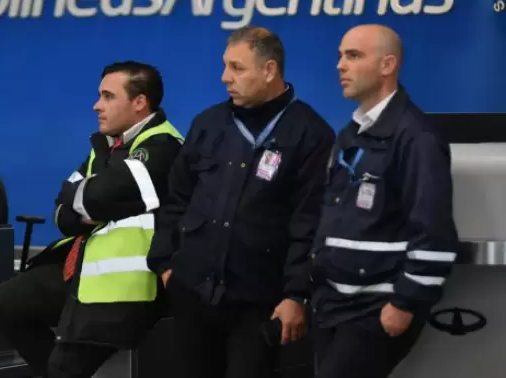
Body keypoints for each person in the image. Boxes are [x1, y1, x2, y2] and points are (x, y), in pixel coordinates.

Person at [147, 26, 335, 378]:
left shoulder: (310, 133)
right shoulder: (209, 123)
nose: (224, 78)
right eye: (225, 66)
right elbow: (176, 199)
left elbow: (311, 221)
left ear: (269, 70)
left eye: (237, 68)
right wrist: (165, 265)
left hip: (259, 301)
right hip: (192, 293)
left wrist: (297, 294)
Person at [0, 61, 183, 378]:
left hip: (127, 288)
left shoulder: (164, 146)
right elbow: (63, 210)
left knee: (64, 368)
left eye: (107, 96)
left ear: (139, 102)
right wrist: (87, 202)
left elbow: (95, 197)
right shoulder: (104, 146)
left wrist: (88, 200)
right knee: (4, 304)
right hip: (81, 273)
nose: (96, 105)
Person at [310, 24, 459, 378]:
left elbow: (434, 233)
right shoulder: (351, 134)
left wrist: (404, 303)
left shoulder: (415, 137)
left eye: (354, 55)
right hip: (332, 303)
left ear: (387, 65)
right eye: (340, 56)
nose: (340, 66)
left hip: (374, 308)